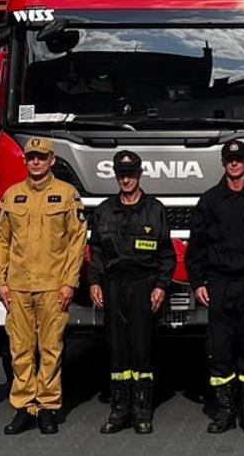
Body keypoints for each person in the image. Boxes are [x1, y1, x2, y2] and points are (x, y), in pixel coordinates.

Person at [0, 137, 88, 435]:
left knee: (50, 349)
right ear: (25, 160)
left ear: (52, 161)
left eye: (41, 157)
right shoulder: (12, 196)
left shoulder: (67, 195)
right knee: (20, 349)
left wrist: (70, 282)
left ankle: (47, 407)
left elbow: (77, 242)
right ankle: (24, 408)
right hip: (18, 286)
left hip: (53, 286)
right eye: (31, 156)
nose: (35, 161)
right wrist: (0, 282)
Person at [187, 139, 244, 435]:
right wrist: (197, 283)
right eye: (230, 159)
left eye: (239, 159)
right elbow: (196, 247)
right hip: (219, 284)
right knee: (220, 348)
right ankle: (225, 410)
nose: (234, 163)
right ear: (223, 163)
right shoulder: (210, 201)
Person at [90, 150, 174, 435]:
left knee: (142, 349)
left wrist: (161, 286)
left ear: (140, 175)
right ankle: (119, 410)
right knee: (116, 349)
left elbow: (166, 254)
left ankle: (141, 410)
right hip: (113, 285)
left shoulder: (155, 210)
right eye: (121, 175)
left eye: (131, 175)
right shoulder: (103, 210)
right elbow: (95, 251)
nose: (126, 180)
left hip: (143, 285)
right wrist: (94, 282)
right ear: (116, 177)